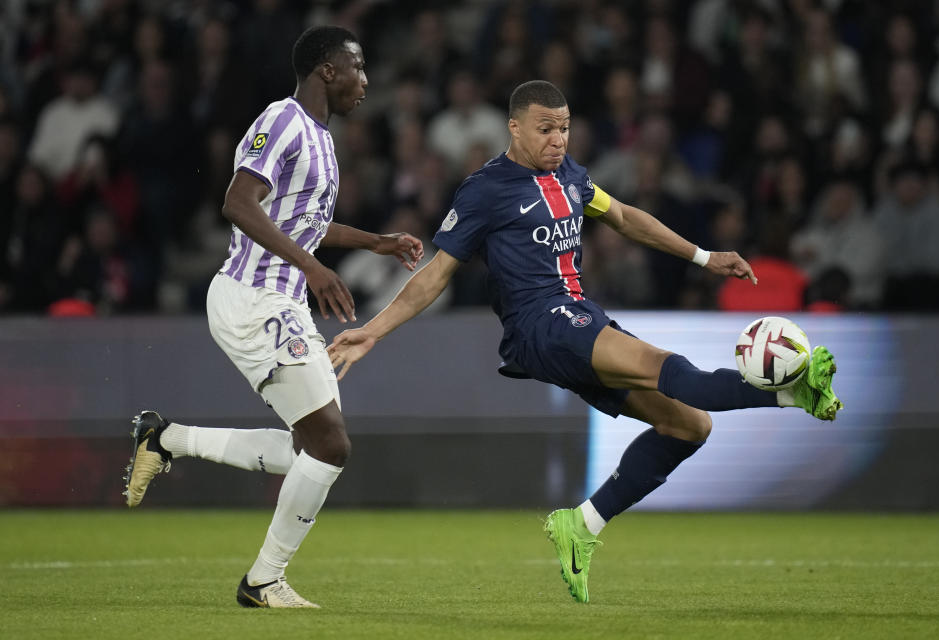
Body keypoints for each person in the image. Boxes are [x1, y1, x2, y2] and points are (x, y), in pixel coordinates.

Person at [327, 80, 842, 604]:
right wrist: (373, 330)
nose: (558, 140)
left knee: (688, 425)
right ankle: (796, 391)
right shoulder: (486, 189)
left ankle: (583, 525)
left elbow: (621, 216)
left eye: (565, 128)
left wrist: (705, 258)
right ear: (514, 127)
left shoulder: (571, 175)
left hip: (577, 318)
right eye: (545, 129)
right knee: (672, 369)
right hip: (541, 327)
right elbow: (436, 274)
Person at [122, 26, 424, 608]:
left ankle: (166, 438)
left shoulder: (323, 140)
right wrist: (313, 268)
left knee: (314, 449)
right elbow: (237, 203)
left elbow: (305, 222)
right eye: (357, 67)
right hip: (253, 297)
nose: (366, 80)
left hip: (280, 300)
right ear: (327, 70)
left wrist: (375, 242)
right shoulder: (282, 119)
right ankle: (262, 581)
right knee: (331, 446)